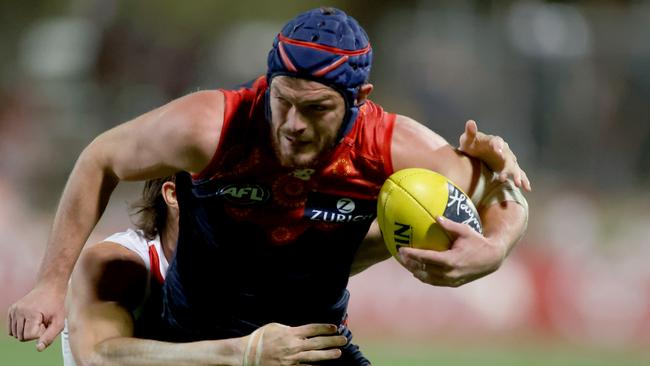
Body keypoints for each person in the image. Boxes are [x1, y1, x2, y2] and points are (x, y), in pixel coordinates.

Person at [9, 7, 529, 365]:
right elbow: (100, 156)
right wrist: (50, 282)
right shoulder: (211, 127)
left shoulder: (393, 147)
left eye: (316, 108)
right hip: (196, 343)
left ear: (358, 99)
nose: (293, 124)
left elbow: (505, 194)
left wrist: (493, 250)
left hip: (312, 349)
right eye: (283, 100)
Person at [63, 177, 348, 366]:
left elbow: (352, 249)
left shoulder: (242, 263)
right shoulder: (116, 263)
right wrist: (245, 352)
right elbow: (98, 356)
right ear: (173, 194)